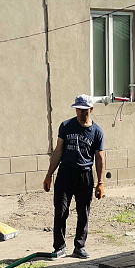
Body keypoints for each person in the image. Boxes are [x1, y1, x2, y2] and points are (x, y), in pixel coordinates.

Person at [43, 94, 106, 259]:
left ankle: (79, 246)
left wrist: (100, 182)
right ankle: (59, 247)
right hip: (65, 174)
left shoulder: (97, 132)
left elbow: (99, 158)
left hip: (84, 175)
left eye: (84, 110)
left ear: (91, 109)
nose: (80, 113)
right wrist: (49, 175)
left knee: (83, 212)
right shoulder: (66, 126)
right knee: (60, 210)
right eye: (78, 109)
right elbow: (58, 151)